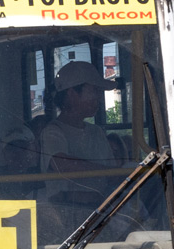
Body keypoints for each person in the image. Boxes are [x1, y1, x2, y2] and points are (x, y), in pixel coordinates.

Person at [40, 61, 121, 207]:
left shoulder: (97, 132)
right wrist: (108, 172)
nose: (98, 98)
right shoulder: (53, 132)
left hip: (103, 210)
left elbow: (112, 175)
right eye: (93, 91)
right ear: (72, 93)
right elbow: (62, 165)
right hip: (68, 213)